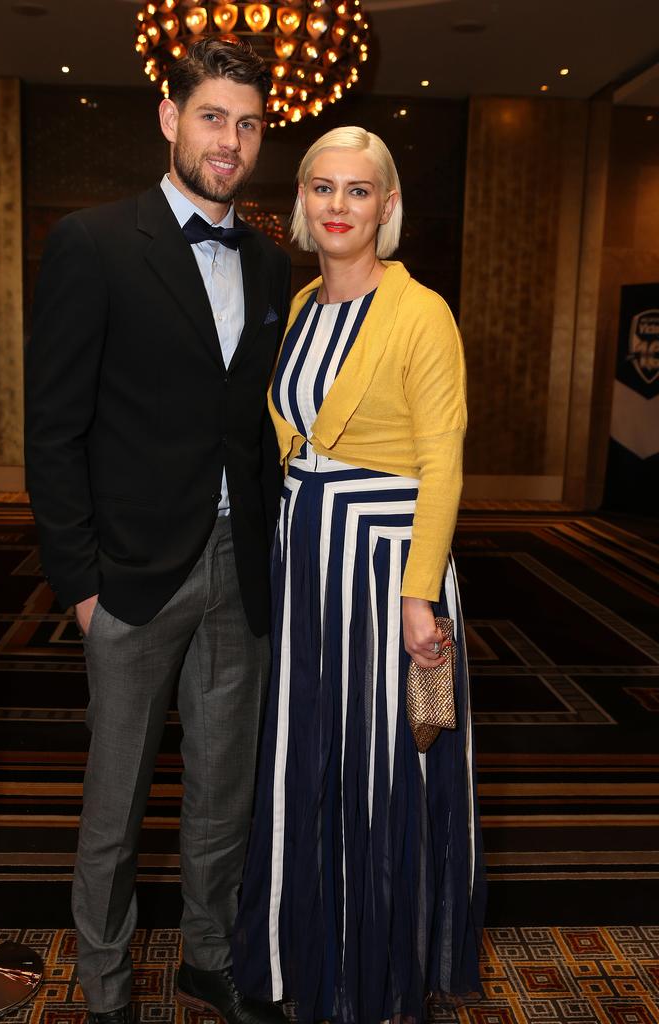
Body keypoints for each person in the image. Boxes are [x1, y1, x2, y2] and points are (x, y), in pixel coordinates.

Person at [24, 39, 291, 1024]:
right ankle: (104, 993)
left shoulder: (269, 257)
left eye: (249, 123)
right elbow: (53, 427)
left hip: (238, 569)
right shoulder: (93, 242)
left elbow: (256, 422)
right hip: (131, 574)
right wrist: (79, 583)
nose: (230, 140)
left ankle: (206, 957)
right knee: (115, 808)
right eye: (213, 116)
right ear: (170, 117)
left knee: (222, 796)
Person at [232, 127, 485, 1024]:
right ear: (302, 201)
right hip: (307, 555)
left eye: (359, 191)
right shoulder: (300, 307)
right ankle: (306, 955)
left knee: (382, 773)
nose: (339, 206)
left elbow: (443, 463)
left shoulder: (423, 313)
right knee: (310, 756)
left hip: (386, 565)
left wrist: (420, 595)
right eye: (323, 188)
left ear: (388, 204)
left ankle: (376, 978)